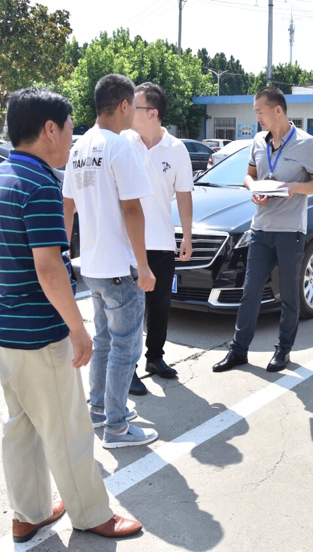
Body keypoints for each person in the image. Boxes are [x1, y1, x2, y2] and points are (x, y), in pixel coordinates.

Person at [0, 87, 142, 541]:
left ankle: (28, 512)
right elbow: (49, 268)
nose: (73, 137)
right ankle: (91, 514)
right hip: (37, 333)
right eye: (70, 128)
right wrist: (77, 328)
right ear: (49, 129)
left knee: (21, 426)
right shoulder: (40, 185)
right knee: (68, 429)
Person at [62, 74, 158, 449]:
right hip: (120, 268)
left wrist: (66, 252)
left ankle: (100, 409)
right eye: (133, 106)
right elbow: (132, 210)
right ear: (123, 105)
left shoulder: (79, 147)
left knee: (104, 341)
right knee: (125, 347)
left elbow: (68, 205)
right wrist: (144, 265)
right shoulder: (120, 147)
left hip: (93, 266)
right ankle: (116, 427)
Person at [212, 87, 313, 373]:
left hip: (290, 231)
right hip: (261, 228)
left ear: (277, 110)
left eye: (260, 112)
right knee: (250, 292)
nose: (257, 117)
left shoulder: (306, 144)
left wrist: (293, 188)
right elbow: (249, 176)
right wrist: (254, 188)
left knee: (288, 295)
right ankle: (238, 350)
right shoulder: (258, 141)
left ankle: (283, 350)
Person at [121, 82, 194, 393]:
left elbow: (184, 195)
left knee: (160, 305)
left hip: (162, 241)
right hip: (126, 244)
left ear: (152, 113)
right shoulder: (123, 142)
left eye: (134, 106)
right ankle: (128, 368)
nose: (127, 110)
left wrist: (187, 236)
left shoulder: (176, 150)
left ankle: (155, 358)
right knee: (130, 310)